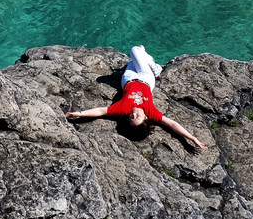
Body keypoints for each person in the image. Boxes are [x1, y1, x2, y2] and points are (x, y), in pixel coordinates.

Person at [66, 45, 207, 150]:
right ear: (145, 118)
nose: (133, 114)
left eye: (131, 118)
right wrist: (192, 138)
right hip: (146, 79)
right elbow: (172, 124)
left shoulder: (122, 110)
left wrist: (79, 114)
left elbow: (100, 111)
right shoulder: (151, 112)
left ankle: (147, 57)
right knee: (135, 50)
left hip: (128, 79)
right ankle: (155, 68)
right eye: (136, 117)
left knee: (134, 58)